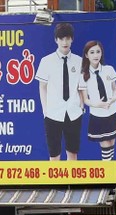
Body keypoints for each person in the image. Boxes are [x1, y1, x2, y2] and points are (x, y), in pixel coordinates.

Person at [36, 22, 84, 161]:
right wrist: (45, 110)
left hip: (73, 112)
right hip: (53, 112)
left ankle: (72, 183)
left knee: (72, 152)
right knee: (54, 154)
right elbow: (42, 87)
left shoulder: (79, 61)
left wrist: (81, 106)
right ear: (56, 40)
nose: (65, 42)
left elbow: (82, 87)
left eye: (67, 38)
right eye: (62, 38)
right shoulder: (46, 61)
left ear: (72, 39)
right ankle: (56, 183)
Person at [78, 40, 116, 161]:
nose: (95, 55)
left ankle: (110, 173)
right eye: (92, 52)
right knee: (105, 145)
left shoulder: (109, 69)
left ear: (101, 54)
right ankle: (106, 175)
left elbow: (115, 90)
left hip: (112, 111)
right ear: (86, 55)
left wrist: (113, 99)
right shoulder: (83, 76)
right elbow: (85, 99)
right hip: (98, 114)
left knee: (111, 143)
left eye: (98, 52)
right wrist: (99, 104)